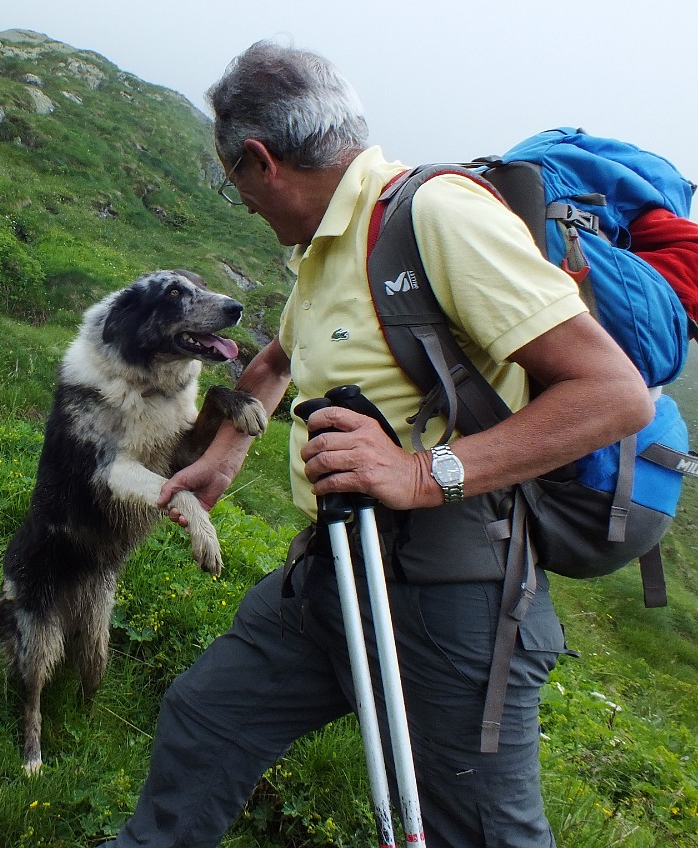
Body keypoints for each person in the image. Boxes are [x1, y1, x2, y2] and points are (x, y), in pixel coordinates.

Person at [104, 43, 654, 848]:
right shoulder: (330, 244)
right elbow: (280, 358)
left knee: (478, 830)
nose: (243, 203)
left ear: (262, 161)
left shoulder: (437, 216)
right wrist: (226, 450)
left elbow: (613, 394)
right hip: (335, 570)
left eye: (237, 184)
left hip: (454, 592)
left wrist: (419, 473)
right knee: (206, 718)